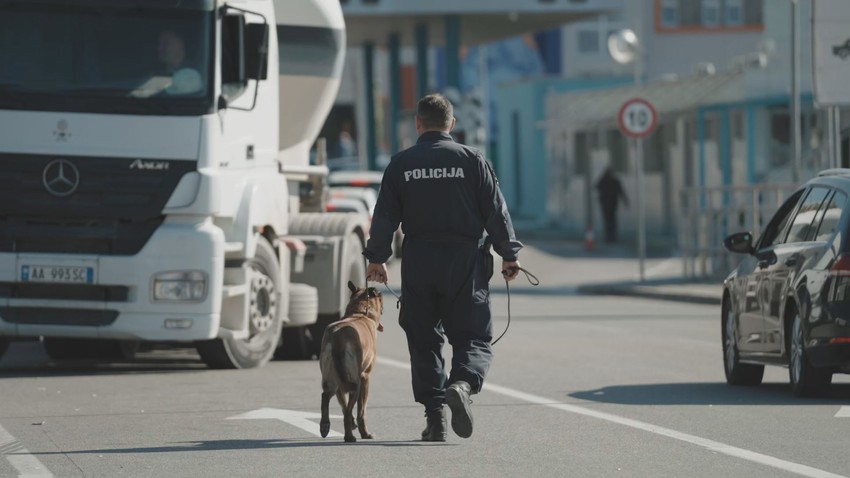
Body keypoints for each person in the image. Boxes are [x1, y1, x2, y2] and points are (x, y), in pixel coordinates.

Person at [363, 93, 523, 441]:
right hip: (464, 261)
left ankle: (435, 419)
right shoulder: (471, 160)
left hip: (419, 259)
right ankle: (463, 384)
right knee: (473, 337)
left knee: (423, 339)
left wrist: (377, 259)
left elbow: (384, 216)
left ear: (418, 123)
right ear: (451, 123)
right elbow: (496, 211)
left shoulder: (401, 164)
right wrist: (509, 254)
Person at [595, 166, 629, 243]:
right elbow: (621, 192)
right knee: (612, 220)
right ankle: (612, 237)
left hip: (605, 204)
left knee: (608, 220)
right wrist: (626, 202)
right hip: (612, 203)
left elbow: (596, 187)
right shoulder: (614, 181)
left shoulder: (603, 180)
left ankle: (609, 237)